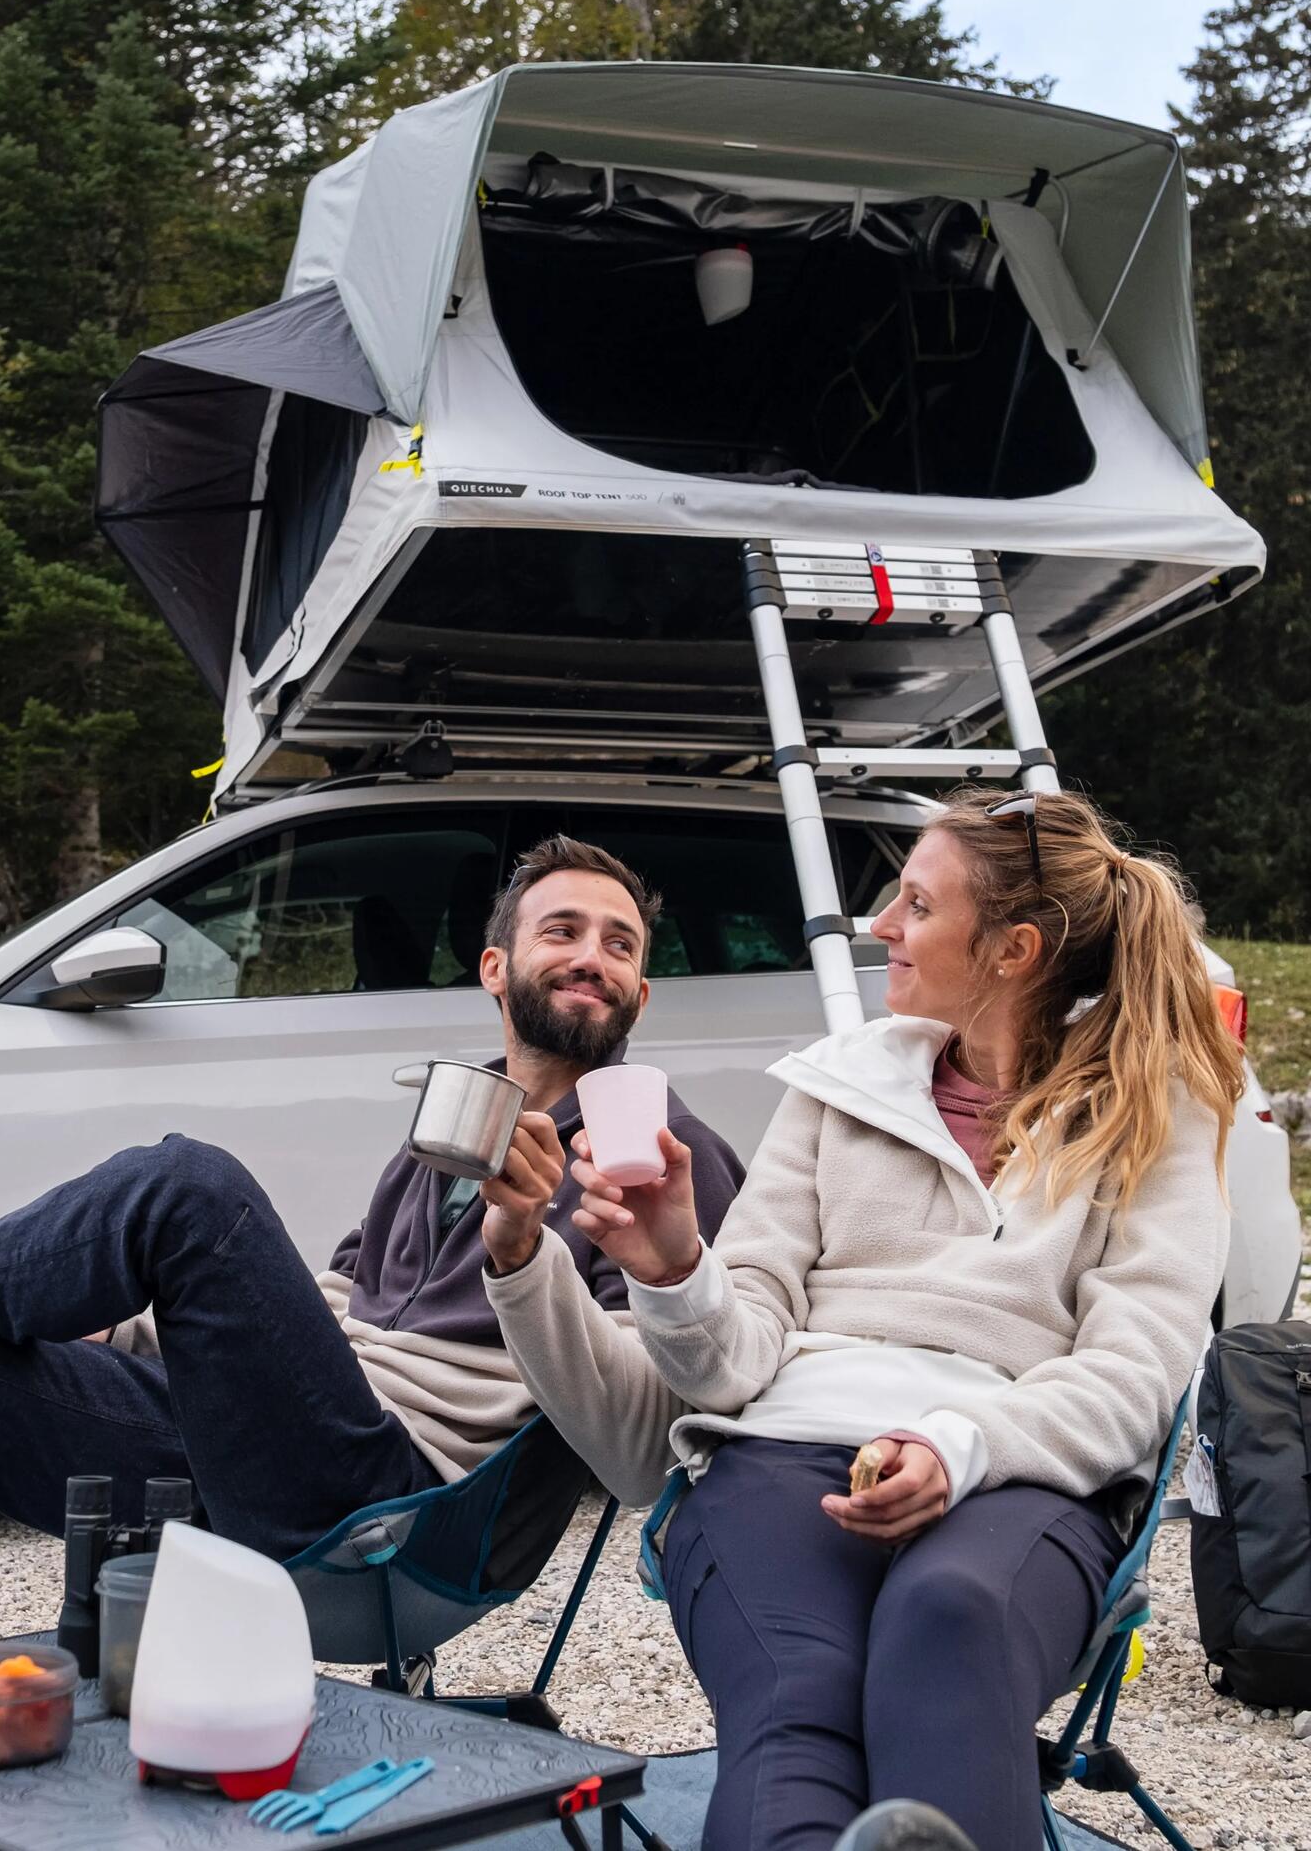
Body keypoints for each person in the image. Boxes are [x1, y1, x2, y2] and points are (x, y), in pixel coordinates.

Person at [0, 835, 744, 1851]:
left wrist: (519, 1247)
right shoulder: (442, 1139)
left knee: (191, 1185)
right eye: (562, 929)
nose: (591, 954)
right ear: (496, 969)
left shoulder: (663, 1160)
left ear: (642, 989)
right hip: (264, 1451)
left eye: (619, 942)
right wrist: (130, 1326)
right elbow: (339, 1300)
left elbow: (639, 1432)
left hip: (402, 1500)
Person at [486, 789, 1242, 1851]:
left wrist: (955, 1444)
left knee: (953, 1613)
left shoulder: (1149, 1117)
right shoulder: (837, 1088)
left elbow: (1135, 1375)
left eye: (916, 903)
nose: (879, 924)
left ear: (1012, 948)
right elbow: (729, 1363)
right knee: (801, 1688)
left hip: (1022, 1468)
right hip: (783, 1453)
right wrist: (675, 1267)